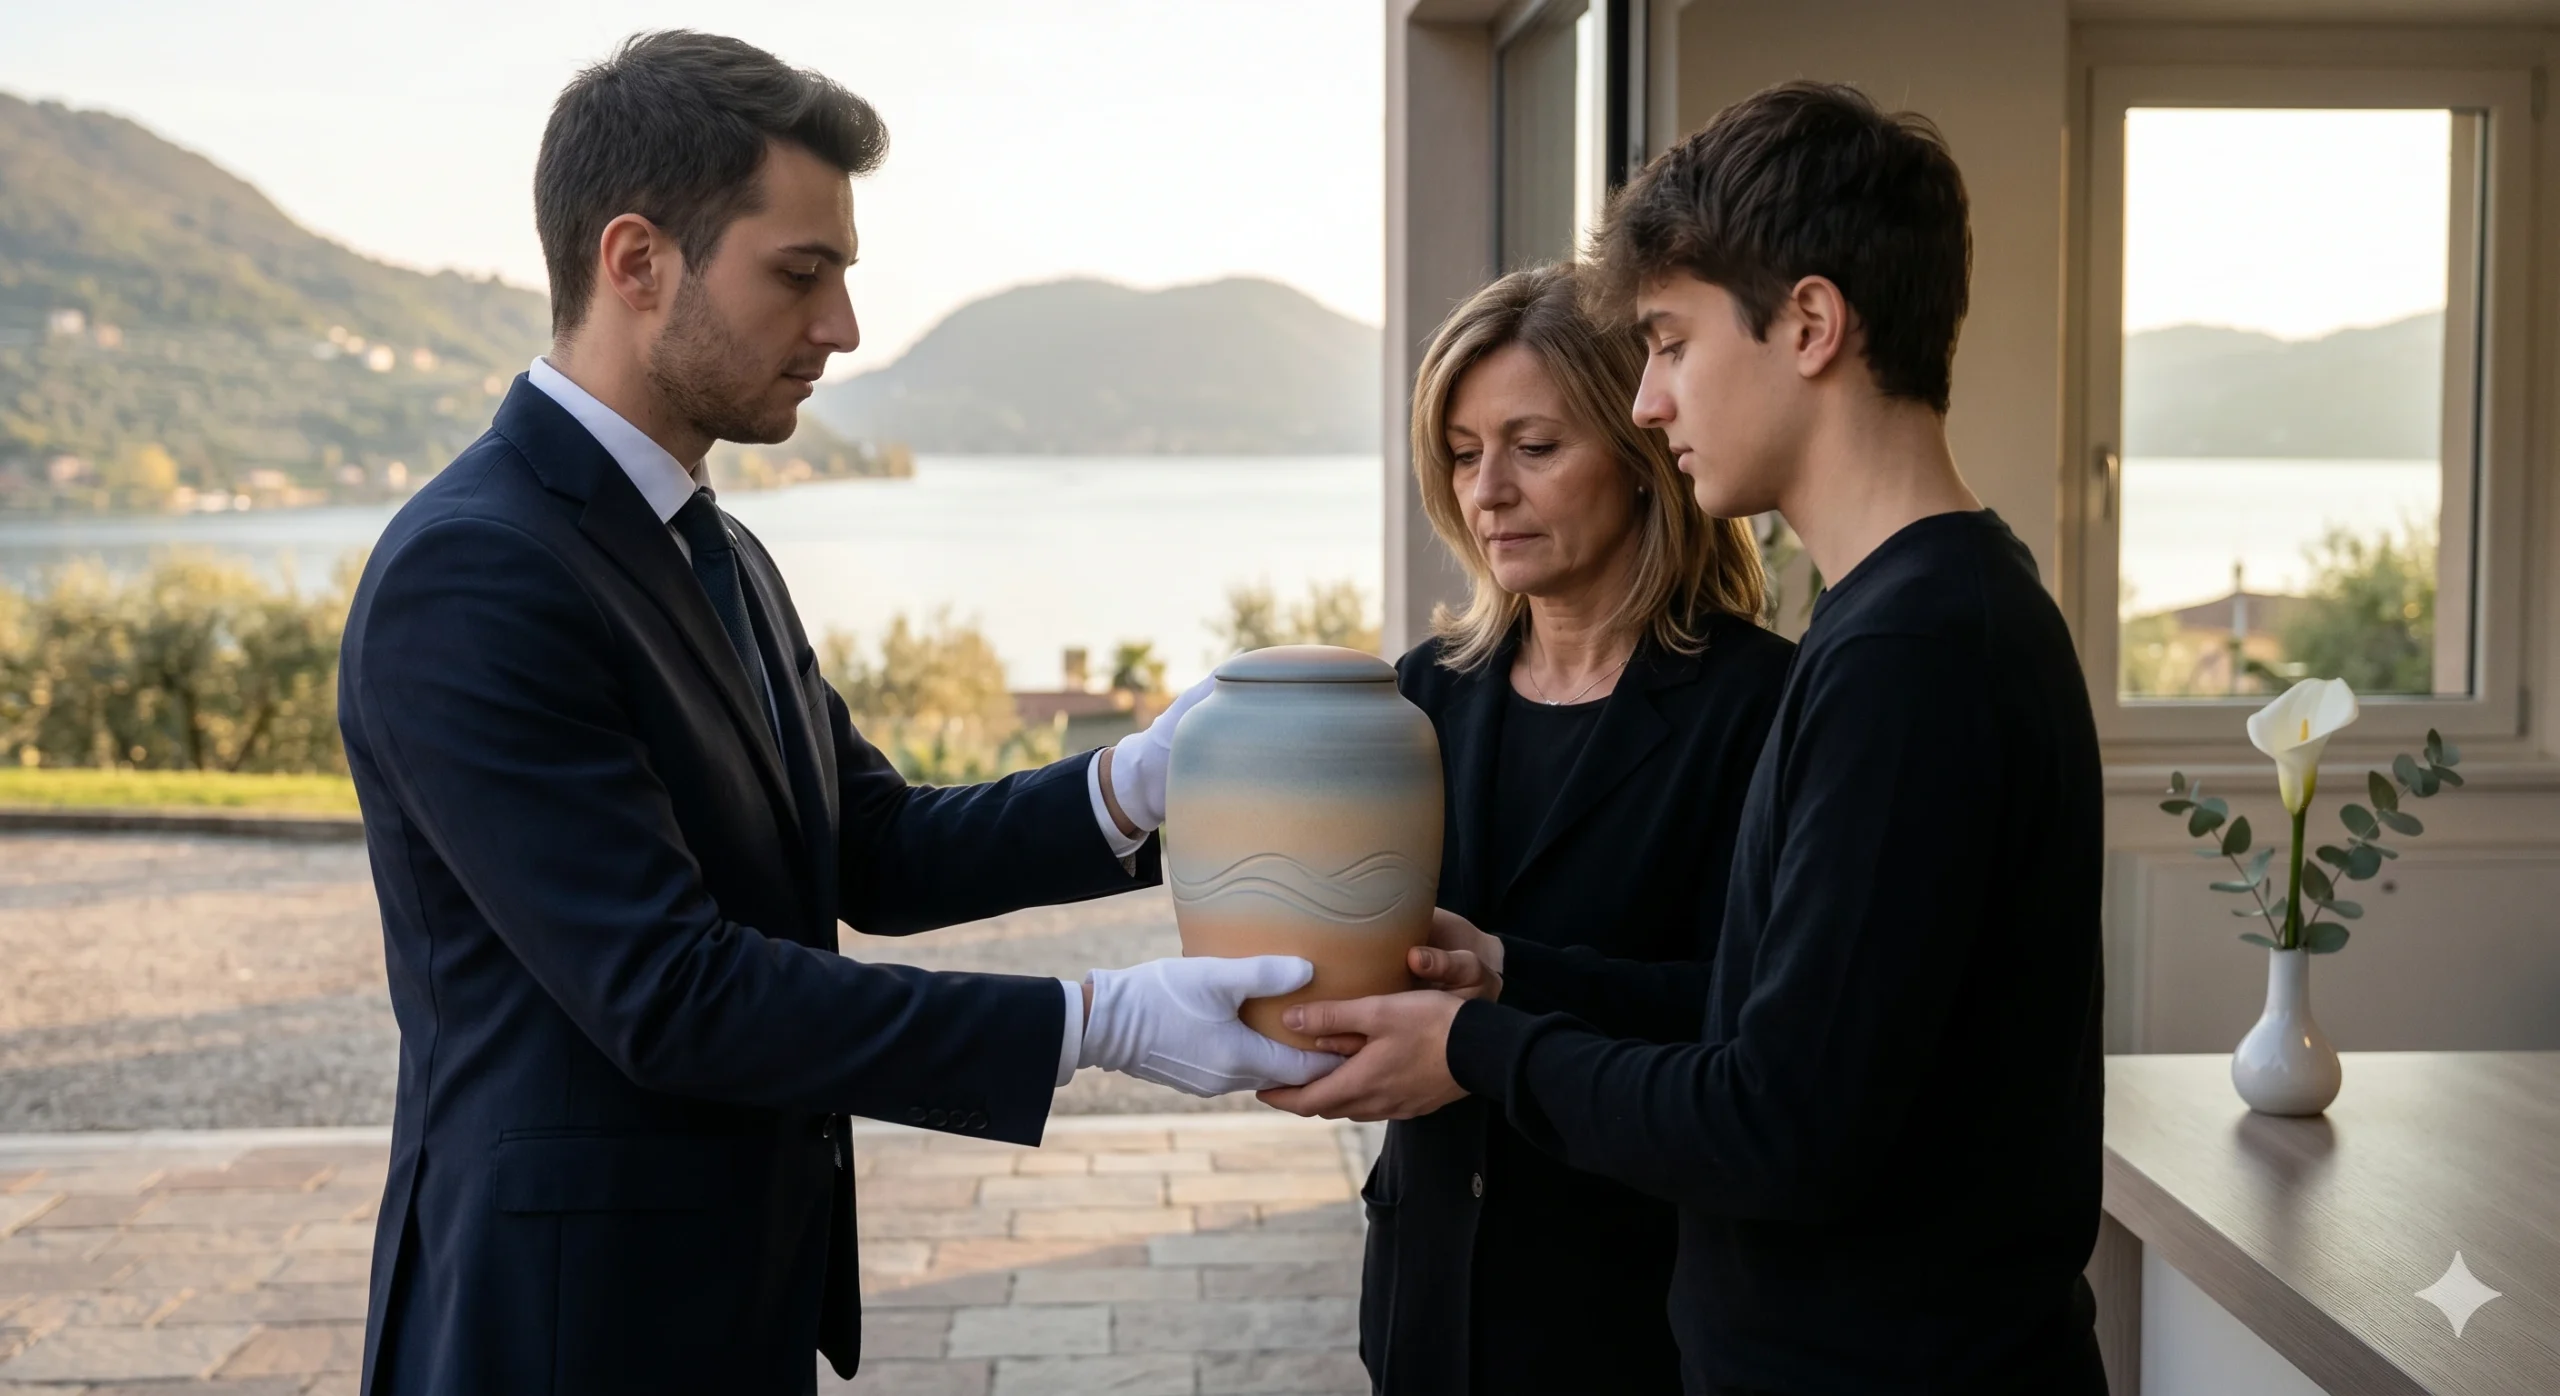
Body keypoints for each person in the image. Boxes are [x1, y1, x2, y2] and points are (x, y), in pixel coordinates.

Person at [336, 32, 1334, 1396]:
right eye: (800, 274)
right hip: (557, 1328)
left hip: (731, 1303)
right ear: (636, 262)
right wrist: (1095, 1022)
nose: (843, 328)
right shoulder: (475, 570)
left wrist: (1138, 783)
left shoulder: (717, 548)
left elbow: (868, 847)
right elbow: (669, 993)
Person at [1265, 81, 2108, 1395]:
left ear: (1810, 325)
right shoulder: (1912, 621)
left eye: (1668, 343)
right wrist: (1506, 973)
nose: (1651, 402)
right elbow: (1768, 1031)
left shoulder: (1911, 655)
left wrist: (1473, 1047)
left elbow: (1783, 1124)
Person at [1362, 263, 1790, 1395]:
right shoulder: (1419, 695)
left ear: (1644, 450)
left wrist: (1507, 984)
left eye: (1534, 447)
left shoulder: (1762, 705)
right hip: (1426, 1299)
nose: (1488, 491)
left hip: (1636, 1307)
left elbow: (1749, 1021)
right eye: (1463, 453)